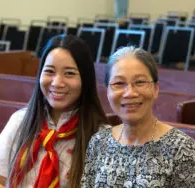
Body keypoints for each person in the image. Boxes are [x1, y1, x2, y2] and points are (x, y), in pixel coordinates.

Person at [0, 34, 108, 188]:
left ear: (85, 79)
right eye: (49, 71)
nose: (57, 83)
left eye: (69, 73)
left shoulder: (102, 137)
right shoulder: (20, 121)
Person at [80, 46, 195, 187]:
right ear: (108, 90)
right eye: (119, 83)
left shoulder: (182, 149)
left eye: (140, 82)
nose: (130, 93)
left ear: (156, 89)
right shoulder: (98, 142)